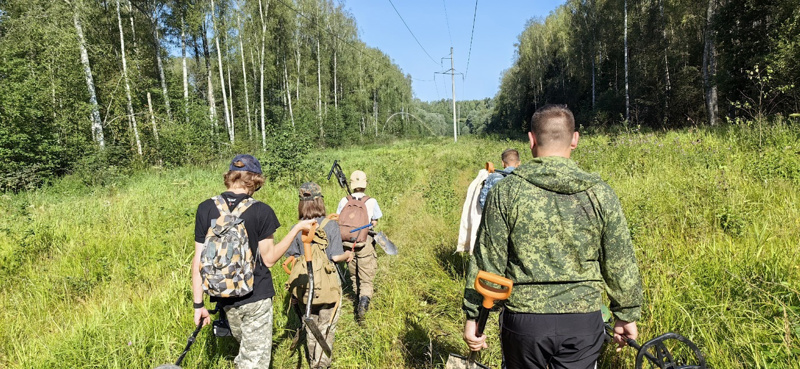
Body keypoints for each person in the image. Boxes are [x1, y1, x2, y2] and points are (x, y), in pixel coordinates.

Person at [461, 105, 643, 369]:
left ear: (531, 140)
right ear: (575, 139)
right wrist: (625, 316)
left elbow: (487, 261)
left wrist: (474, 318)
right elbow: (619, 261)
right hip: (582, 320)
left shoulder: (506, 192)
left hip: (524, 321)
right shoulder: (600, 193)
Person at [192, 154, 316, 369]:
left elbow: (198, 261)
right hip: (256, 296)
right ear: (255, 181)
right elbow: (268, 260)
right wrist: (295, 229)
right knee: (254, 362)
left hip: (223, 296)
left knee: (246, 353)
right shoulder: (261, 210)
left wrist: (198, 305)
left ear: (230, 176)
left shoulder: (205, 208)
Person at [285, 182, 352, 369]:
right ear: (320, 202)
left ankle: (313, 361)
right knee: (327, 324)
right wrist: (349, 255)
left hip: (305, 284)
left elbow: (292, 257)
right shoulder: (331, 225)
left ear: (301, 204)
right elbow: (337, 256)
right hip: (329, 284)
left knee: (310, 324)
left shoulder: (296, 227)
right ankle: (321, 364)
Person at [336, 170, 382, 320]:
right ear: (365, 184)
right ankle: (363, 302)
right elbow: (374, 221)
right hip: (364, 241)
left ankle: (356, 299)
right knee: (366, 275)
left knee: (353, 273)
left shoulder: (344, 200)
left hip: (347, 243)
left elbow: (338, 219)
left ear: (352, 184)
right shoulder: (371, 201)